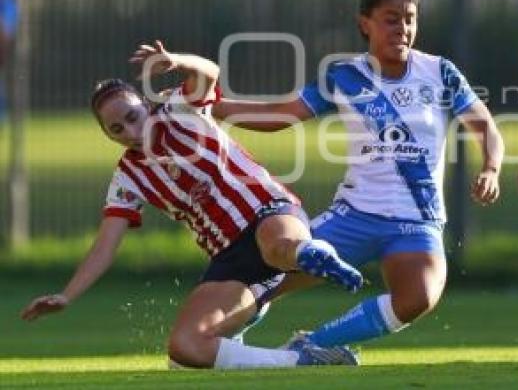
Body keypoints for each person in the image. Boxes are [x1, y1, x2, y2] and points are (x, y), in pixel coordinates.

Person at [20, 41, 364, 370]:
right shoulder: (127, 178)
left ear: (145, 104)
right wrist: (67, 296)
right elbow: (105, 246)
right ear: (108, 136)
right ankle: (302, 358)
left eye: (131, 115)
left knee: (279, 247)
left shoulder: (178, 108)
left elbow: (209, 72)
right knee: (184, 349)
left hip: (268, 212)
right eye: (116, 128)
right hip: (231, 259)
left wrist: (178, 61)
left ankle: (310, 254)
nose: (129, 129)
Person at [214, 0, 504, 352]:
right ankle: (215, 340)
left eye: (409, 18)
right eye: (391, 18)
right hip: (355, 214)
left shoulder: (440, 72)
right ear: (365, 23)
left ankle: (311, 348)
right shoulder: (346, 76)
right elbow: (281, 114)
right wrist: (213, 106)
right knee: (263, 278)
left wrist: (491, 168)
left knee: (418, 298)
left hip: (417, 220)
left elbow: (485, 126)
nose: (402, 28)